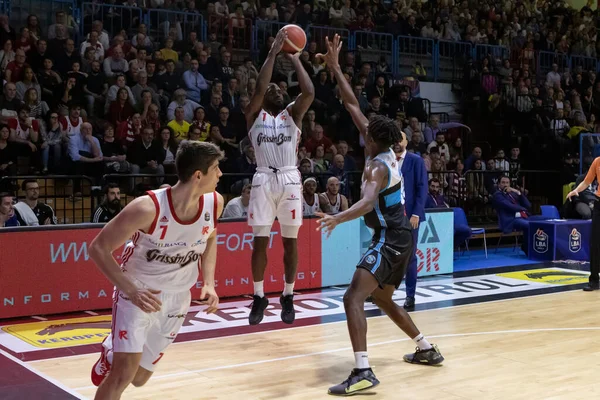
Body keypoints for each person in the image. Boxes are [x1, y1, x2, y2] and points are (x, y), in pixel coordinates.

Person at [316, 34, 443, 396]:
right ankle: (426, 348)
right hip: (398, 237)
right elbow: (351, 103)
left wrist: (338, 218)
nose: (361, 128)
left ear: (371, 139)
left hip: (389, 239)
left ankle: (363, 371)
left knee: (352, 298)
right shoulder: (380, 146)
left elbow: (369, 203)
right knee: (383, 299)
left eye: (364, 131)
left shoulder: (377, 169)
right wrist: (336, 67)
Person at [89, 141, 224, 399]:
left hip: (177, 299)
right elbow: (98, 248)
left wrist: (209, 282)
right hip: (137, 293)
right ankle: (115, 355)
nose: (220, 174)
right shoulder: (147, 208)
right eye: (216, 168)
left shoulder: (215, 202)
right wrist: (131, 289)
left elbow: (210, 238)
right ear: (198, 175)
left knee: (139, 379)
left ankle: (110, 350)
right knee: (122, 375)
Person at [245, 28, 314, 325]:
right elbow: (259, 90)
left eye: (280, 88)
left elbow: (309, 92)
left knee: (290, 242)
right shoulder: (253, 115)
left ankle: (288, 294)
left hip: (288, 179)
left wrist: (296, 58)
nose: (275, 89)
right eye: (271, 87)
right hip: (262, 179)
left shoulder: (292, 115)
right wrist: (273, 53)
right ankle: (259, 296)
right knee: (260, 241)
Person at [396, 133, 427, 310]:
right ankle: (379, 290)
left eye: (400, 140)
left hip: (410, 216)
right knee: (385, 254)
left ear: (406, 142)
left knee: (409, 257)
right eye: (394, 140)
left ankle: (410, 296)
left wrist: (416, 213)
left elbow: (422, 188)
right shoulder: (387, 160)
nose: (397, 143)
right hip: (391, 215)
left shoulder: (416, 160)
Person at [567, 157, 600, 291]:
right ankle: (594, 280)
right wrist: (577, 190)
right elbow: (587, 181)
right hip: (599, 204)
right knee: (595, 243)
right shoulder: (597, 161)